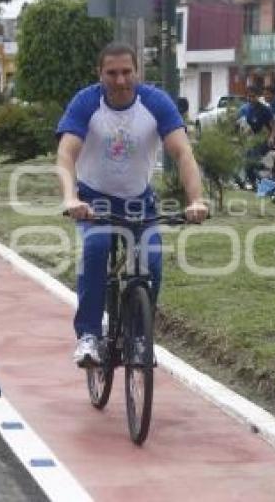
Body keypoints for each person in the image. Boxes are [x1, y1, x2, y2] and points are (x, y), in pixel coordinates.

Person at [56, 42, 208, 367]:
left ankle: (139, 338)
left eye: (127, 72)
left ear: (137, 72)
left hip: (139, 203)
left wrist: (196, 200)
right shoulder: (86, 102)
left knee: (151, 263)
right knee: (96, 249)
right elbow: (66, 153)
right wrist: (71, 197)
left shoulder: (155, 103)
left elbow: (182, 153)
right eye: (112, 73)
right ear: (100, 74)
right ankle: (89, 336)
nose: (120, 80)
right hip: (93, 200)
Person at [237, 85, 275, 188]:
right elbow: (239, 124)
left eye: (253, 96)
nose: (250, 99)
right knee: (247, 163)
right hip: (250, 140)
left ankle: (263, 178)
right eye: (249, 96)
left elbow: (273, 125)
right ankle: (255, 183)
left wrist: (271, 137)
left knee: (251, 161)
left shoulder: (265, 109)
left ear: (258, 97)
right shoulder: (244, 109)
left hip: (263, 140)